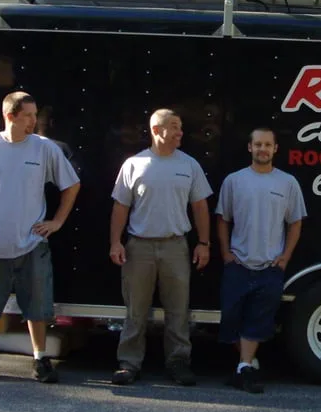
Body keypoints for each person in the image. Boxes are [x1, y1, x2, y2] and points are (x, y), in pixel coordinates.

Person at [0, 91, 80, 384]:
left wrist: (57, 221)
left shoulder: (44, 149)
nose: (35, 121)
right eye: (29, 116)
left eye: (35, 115)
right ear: (11, 116)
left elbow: (71, 185)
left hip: (32, 243)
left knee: (37, 305)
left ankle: (40, 359)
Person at [109, 108, 212, 386]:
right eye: (175, 127)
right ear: (157, 130)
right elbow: (121, 207)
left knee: (178, 310)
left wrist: (204, 243)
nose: (180, 132)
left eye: (180, 127)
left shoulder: (189, 165)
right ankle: (129, 364)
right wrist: (115, 242)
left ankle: (178, 363)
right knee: (135, 310)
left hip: (175, 247)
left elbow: (200, 206)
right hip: (138, 248)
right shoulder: (134, 164)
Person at [216, 128, 306, 393]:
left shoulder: (287, 183)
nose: (262, 149)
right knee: (231, 319)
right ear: (250, 148)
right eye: (258, 144)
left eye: (267, 144)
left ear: (275, 149)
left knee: (259, 319)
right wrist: (225, 253)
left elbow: (296, 222)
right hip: (239, 263)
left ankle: (243, 368)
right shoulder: (234, 180)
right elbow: (222, 218)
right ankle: (247, 364)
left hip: (270, 266)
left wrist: (285, 257)